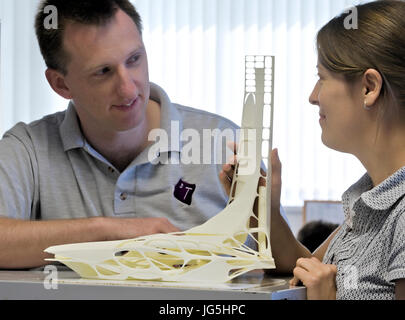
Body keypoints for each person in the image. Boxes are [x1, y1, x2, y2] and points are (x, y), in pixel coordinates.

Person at [0, 0, 240, 269]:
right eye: (103, 71)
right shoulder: (27, 149)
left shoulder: (224, 141)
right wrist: (107, 232)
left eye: (134, 59)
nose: (128, 90)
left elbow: (275, 266)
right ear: (61, 83)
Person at [222, 0, 405, 300]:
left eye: (322, 78)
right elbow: (300, 266)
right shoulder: (367, 201)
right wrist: (262, 207)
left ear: (369, 88)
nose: (312, 96)